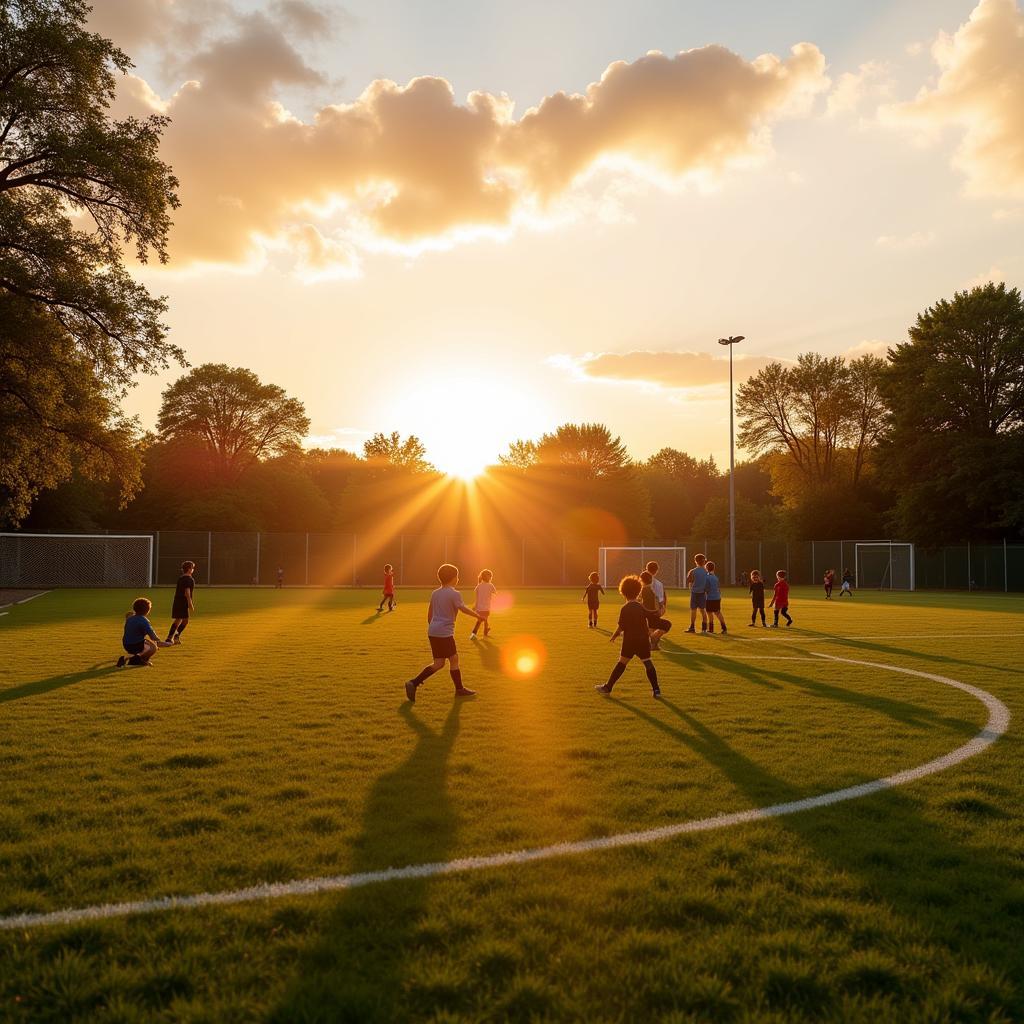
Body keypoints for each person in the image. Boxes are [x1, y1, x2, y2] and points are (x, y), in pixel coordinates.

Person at [404, 564, 485, 703]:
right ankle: (459, 689)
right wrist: (478, 616)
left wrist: (434, 626)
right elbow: (463, 608)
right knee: (453, 659)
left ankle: (413, 683)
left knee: (439, 663)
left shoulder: (435, 593)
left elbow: (430, 613)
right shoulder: (454, 593)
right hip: (444, 633)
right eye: (457, 576)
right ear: (454, 578)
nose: (458, 579)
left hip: (434, 631)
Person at [596, 575, 671, 698]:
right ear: (638, 591)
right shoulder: (640, 606)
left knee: (621, 663)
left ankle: (608, 687)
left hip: (629, 642)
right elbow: (651, 614)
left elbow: (621, 626)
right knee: (648, 663)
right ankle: (656, 690)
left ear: (623, 592)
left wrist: (614, 636)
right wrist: (660, 611)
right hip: (643, 641)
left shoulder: (625, 608)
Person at [120, 598, 169, 667]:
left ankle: (135, 660)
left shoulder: (130, 619)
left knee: (149, 643)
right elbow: (153, 636)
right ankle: (137, 660)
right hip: (135, 645)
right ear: (147, 611)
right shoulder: (144, 620)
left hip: (126, 644)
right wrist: (164, 643)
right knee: (153, 648)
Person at [166, 560, 196, 645]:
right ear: (189, 569)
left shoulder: (181, 578)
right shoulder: (189, 579)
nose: (193, 569)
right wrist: (190, 603)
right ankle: (176, 636)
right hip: (183, 602)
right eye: (192, 568)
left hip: (177, 601)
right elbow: (187, 592)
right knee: (185, 620)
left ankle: (169, 638)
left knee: (178, 620)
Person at [685, 553, 710, 634]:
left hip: (694, 593)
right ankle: (704, 629)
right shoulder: (707, 572)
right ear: (704, 561)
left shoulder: (693, 571)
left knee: (693, 611)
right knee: (703, 611)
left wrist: (692, 589)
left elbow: (689, 582)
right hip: (702, 594)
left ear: (695, 561)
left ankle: (692, 627)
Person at [471, 569, 496, 638]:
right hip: (486, 607)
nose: (490, 578)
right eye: (490, 576)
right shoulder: (491, 585)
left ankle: (485, 631)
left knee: (484, 619)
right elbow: (494, 593)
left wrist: (475, 606)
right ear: (489, 577)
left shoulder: (478, 586)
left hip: (479, 607)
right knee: (480, 620)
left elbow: (477, 597)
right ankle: (474, 633)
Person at [704, 560, 727, 634]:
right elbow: (718, 588)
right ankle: (724, 628)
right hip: (717, 597)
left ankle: (711, 629)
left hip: (710, 598)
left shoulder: (707, 577)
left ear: (706, 568)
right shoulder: (716, 577)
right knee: (718, 613)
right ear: (713, 568)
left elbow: (706, 589)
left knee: (709, 613)